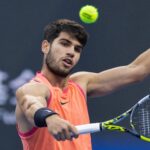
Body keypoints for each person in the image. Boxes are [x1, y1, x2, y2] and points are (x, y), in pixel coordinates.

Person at [15, 19, 150, 150]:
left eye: (77, 49)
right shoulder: (34, 88)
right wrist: (50, 118)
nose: (71, 52)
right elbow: (31, 104)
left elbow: (136, 70)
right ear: (46, 46)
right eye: (64, 43)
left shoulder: (81, 83)